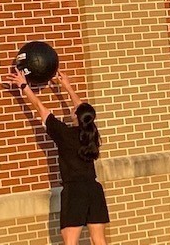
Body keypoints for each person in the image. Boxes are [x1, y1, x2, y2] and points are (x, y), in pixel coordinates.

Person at [7, 68, 110, 245]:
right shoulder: (92, 134)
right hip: (94, 190)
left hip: (75, 192)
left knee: (70, 242)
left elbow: (41, 108)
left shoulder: (64, 134)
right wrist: (68, 87)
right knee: (99, 242)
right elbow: (83, 111)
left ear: (75, 116)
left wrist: (24, 86)